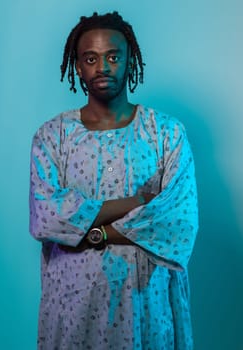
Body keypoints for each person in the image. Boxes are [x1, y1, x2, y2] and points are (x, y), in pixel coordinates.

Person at [29, 11, 198, 350]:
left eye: (113, 57)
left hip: (147, 301)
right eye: (90, 58)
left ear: (128, 60)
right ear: (77, 66)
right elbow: (46, 217)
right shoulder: (52, 137)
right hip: (73, 304)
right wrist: (135, 204)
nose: (102, 67)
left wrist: (94, 232)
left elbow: (177, 222)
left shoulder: (165, 134)